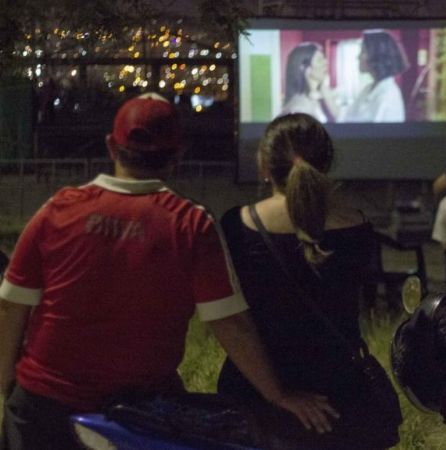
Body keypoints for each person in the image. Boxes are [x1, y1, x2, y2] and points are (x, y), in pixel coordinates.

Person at [0, 94, 334, 450]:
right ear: (178, 155)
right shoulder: (191, 224)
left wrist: (5, 385)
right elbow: (230, 324)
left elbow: (10, 306)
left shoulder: (57, 210)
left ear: (111, 147)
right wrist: (278, 395)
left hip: (43, 408)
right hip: (138, 416)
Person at [216, 113, 401, 449]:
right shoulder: (358, 226)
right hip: (339, 394)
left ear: (264, 167)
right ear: (326, 164)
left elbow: (233, 321)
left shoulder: (237, 225)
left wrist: (277, 394)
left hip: (256, 392)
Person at [343, 30, 408, 123]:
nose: (358, 57)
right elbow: (345, 117)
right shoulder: (368, 89)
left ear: (377, 55)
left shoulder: (388, 95)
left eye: (363, 51)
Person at [279, 42, 335, 123]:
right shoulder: (298, 109)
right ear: (304, 68)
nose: (326, 62)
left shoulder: (316, 99)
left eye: (324, 58)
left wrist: (323, 87)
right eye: (320, 60)